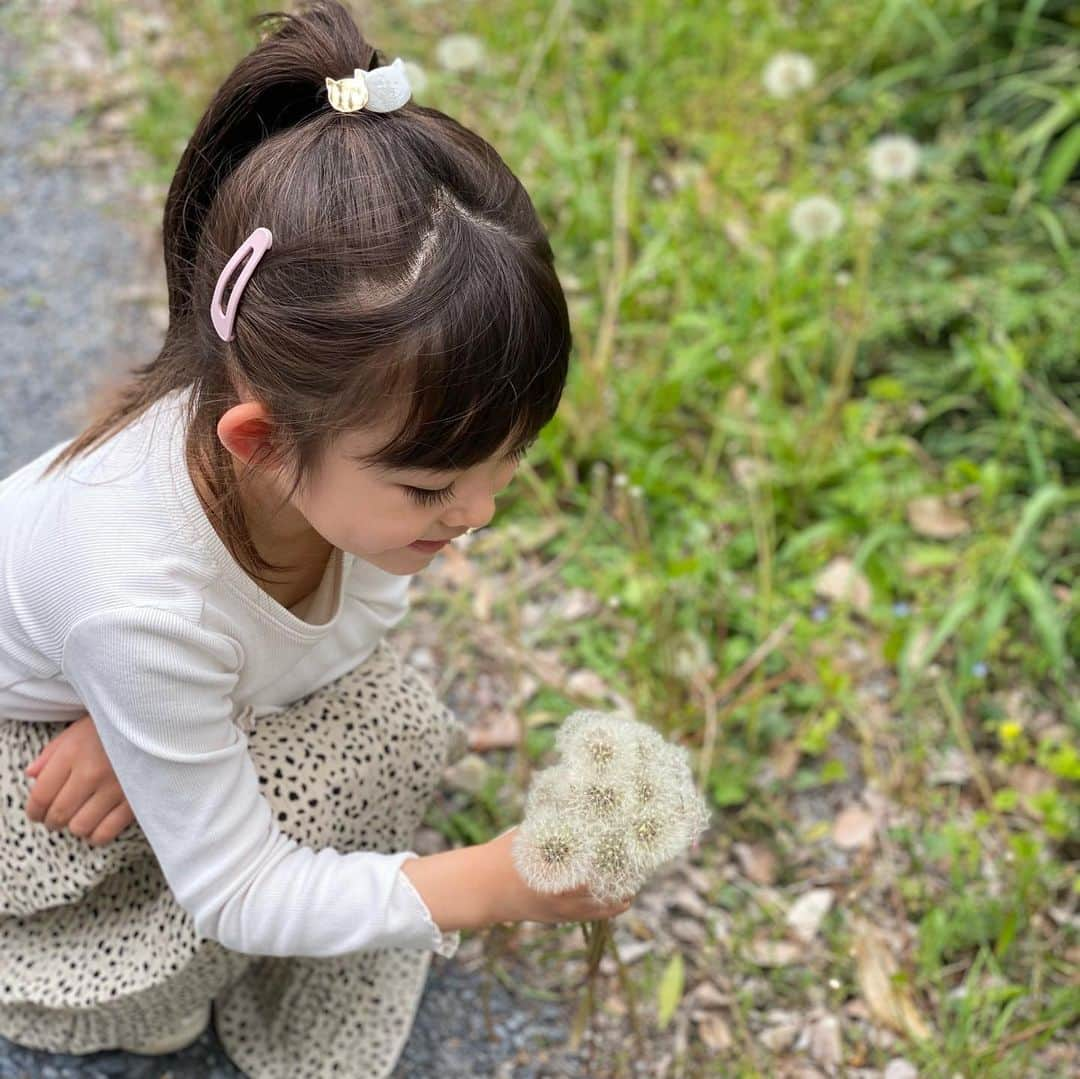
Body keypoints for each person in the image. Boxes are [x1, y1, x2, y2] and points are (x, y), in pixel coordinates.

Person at [0, 3, 633, 1076]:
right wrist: (496, 881)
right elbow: (237, 886)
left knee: (391, 721)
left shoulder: (330, 481)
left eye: (507, 461)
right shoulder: (140, 601)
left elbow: (341, 635)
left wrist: (145, 717)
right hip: (26, 775)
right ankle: (80, 993)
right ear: (260, 440)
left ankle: (251, 950)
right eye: (434, 483)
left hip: (117, 684)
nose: (479, 512)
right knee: (314, 788)